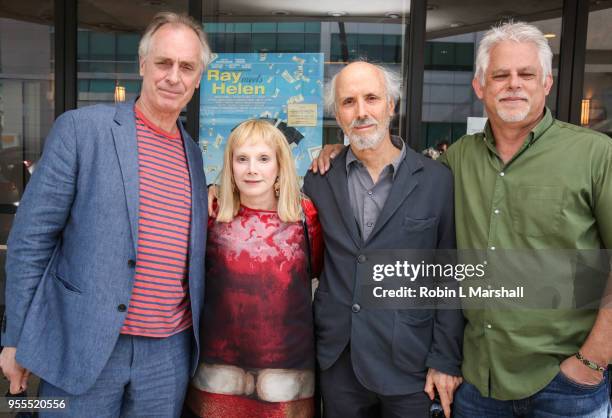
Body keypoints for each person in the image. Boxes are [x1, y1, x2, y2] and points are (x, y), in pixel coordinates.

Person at [314, 23, 612, 418]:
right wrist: (334, 150)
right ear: (480, 86)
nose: (513, 85)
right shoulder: (457, 160)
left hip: (563, 382)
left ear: (547, 82)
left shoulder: (594, 154)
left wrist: (592, 360)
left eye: (526, 74)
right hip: (478, 381)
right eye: (500, 75)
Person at [0, 12, 210, 417]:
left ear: (198, 78)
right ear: (142, 65)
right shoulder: (81, 130)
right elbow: (31, 239)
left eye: (186, 67)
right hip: (80, 344)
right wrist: (15, 339)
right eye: (164, 63)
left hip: (167, 357)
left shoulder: (195, 156)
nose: (174, 77)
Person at [304, 61, 464, 418]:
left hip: (411, 363)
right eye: (348, 102)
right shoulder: (318, 180)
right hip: (338, 359)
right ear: (338, 115)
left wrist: (445, 358)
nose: (361, 112)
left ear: (391, 105)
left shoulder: (437, 181)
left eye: (372, 98)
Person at [186, 119, 323, 418]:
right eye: (242, 159)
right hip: (217, 373)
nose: (252, 169)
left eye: (263, 159)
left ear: (279, 165)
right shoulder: (210, 212)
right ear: (230, 165)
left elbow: (318, 273)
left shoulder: (304, 217)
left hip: (288, 376)